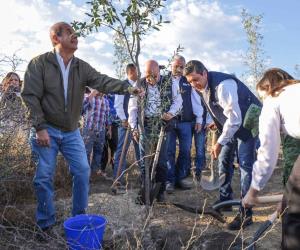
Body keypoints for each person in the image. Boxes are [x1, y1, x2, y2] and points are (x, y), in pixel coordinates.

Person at [21, 21, 141, 237]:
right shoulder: (39, 64)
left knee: (83, 170)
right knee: (44, 176)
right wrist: (39, 127)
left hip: (71, 131)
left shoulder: (81, 67)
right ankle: (46, 225)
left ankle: (78, 219)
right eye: (69, 32)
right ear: (55, 38)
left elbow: (102, 81)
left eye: (75, 32)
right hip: (45, 129)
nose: (75, 35)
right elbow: (30, 96)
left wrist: (129, 88)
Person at [184, 60, 262, 230]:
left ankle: (246, 213)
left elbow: (235, 119)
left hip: (248, 125)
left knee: (245, 166)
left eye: (196, 79)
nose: (194, 84)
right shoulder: (201, 88)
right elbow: (217, 108)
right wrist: (216, 122)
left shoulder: (223, 85)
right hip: (232, 126)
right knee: (224, 160)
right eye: (190, 81)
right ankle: (226, 200)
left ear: (204, 73)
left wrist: (219, 142)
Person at [242, 68, 300, 249]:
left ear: (269, 88)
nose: (263, 101)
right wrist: (288, 198)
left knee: (294, 220)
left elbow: (267, 152)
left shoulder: (274, 98)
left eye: (262, 96)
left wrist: (253, 191)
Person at [128, 59, 182, 202]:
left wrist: (170, 113)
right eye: (148, 76)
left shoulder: (170, 82)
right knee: (145, 160)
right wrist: (134, 127)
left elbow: (178, 101)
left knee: (162, 160)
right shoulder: (138, 84)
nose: (151, 79)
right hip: (145, 124)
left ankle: (160, 192)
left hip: (162, 123)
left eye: (154, 76)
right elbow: (132, 108)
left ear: (159, 71)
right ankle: (145, 191)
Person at [113, 63, 141, 187]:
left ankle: (143, 176)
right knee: (122, 151)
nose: (139, 74)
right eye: (137, 71)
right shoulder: (122, 85)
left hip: (138, 124)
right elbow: (118, 104)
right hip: (125, 124)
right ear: (131, 72)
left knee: (140, 149)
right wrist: (124, 119)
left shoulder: (139, 85)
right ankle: (118, 177)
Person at [82, 88, 111, 175]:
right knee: (86, 151)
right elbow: (81, 107)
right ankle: (85, 173)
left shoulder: (105, 101)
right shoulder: (88, 97)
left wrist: (109, 129)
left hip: (101, 130)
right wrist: (92, 94)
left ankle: (94, 172)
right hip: (89, 129)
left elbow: (107, 116)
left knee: (99, 151)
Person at [101, 93, 118, 175]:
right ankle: (102, 169)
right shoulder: (100, 96)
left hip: (114, 124)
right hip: (102, 124)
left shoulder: (114, 96)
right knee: (103, 147)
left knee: (115, 146)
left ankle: (115, 168)